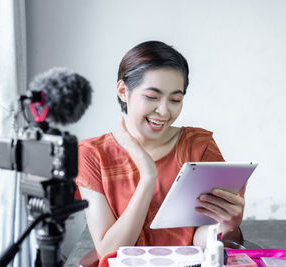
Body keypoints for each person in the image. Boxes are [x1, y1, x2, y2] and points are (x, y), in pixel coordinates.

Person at [75, 41, 245, 258]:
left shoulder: (198, 146)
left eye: (175, 99)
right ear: (123, 91)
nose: (164, 111)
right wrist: (148, 177)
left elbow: (200, 241)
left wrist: (225, 227)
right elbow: (109, 251)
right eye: (152, 97)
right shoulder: (92, 155)